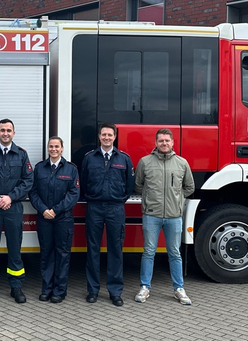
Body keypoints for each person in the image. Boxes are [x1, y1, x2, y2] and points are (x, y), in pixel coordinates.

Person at [134, 128, 196, 305]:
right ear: (155, 143)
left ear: (173, 142)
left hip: (174, 216)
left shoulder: (182, 163)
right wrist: (150, 199)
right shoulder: (145, 162)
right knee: (148, 252)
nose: (164, 143)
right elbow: (138, 185)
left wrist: (176, 199)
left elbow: (189, 187)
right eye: (161, 140)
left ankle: (179, 288)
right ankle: (145, 287)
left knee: (175, 253)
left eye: (167, 141)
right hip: (151, 215)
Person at [0, 119, 34, 303]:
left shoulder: (22, 155)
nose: (5, 133)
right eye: (2, 130)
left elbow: (28, 180)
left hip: (14, 206)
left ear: (14, 133)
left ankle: (16, 287)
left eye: (9, 130)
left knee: (15, 247)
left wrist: (10, 197)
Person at [80, 123, 135, 306]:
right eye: (103, 135)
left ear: (115, 136)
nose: (106, 138)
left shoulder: (124, 159)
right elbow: (84, 182)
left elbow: (129, 186)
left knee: (115, 250)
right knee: (93, 250)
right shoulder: (90, 158)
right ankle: (93, 290)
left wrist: (118, 199)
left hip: (115, 208)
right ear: (99, 136)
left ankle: (115, 291)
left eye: (110, 135)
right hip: (94, 207)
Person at [29, 137, 80, 303]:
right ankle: (47, 289)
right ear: (48, 148)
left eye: (56, 146)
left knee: (62, 254)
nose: (53, 149)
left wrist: (55, 210)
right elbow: (33, 192)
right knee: (46, 253)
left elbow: (74, 194)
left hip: (63, 218)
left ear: (62, 148)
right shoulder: (39, 168)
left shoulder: (71, 169)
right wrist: (44, 210)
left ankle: (59, 290)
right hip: (44, 218)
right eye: (51, 146)